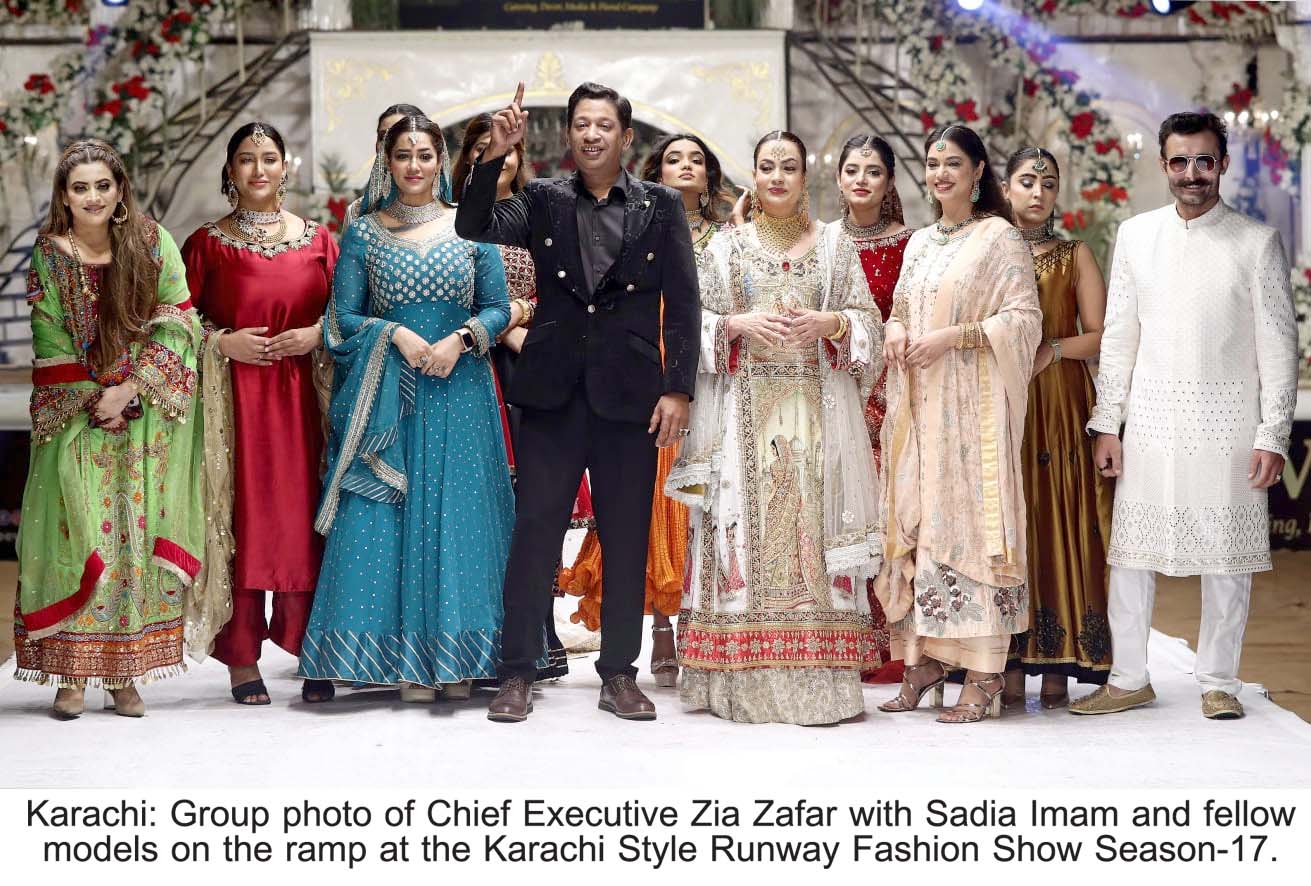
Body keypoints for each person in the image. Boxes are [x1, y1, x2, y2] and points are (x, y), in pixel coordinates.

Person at [456, 82, 700, 722]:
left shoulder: (661, 205)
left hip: (631, 394)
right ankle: (516, 671)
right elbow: (472, 224)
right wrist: (493, 155)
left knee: (626, 536)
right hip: (552, 391)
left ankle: (619, 673)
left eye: (604, 125)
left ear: (626, 136)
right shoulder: (543, 198)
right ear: (568, 134)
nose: (592, 134)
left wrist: (678, 387)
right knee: (535, 532)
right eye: (581, 124)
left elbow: (684, 302)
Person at [1070, 112, 1298, 721]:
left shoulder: (1256, 242)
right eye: (1180, 161)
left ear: (1222, 163)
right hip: (1149, 423)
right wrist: (1107, 423)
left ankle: (1219, 680)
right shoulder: (1136, 236)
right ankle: (1128, 678)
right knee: (1130, 558)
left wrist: (1272, 434)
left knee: (1226, 560)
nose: (1192, 173)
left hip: (1228, 427)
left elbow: (1279, 348)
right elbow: (1119, 337)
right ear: (1163, 165)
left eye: (1203, 160)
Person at [665, 130, 884, 725]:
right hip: (741, 424)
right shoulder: (726, 249)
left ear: (804, 177)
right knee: (742, 540)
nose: (778, 177)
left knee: (809, 544)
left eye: (789, 166)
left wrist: (831, 323)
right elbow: (691, 322)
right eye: (768, 166)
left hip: (818, 422)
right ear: (754, 176)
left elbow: (869, 324)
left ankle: (821, 685)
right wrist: (737, 325)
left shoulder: (835, 247)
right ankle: (737, 683)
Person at [296, 115, 517, 702]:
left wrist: (461, 339)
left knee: (461, 518)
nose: (414, 166)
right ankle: (399, 663)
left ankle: (462, 658)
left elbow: (500, 307)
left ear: (441, 159)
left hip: (461, 388)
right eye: (402, 155)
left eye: (424, 154)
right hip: (393, 397)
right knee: (388, 517)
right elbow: (342, 318)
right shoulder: (365, 233)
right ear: (386, 162)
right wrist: (393, 333)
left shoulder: (470, 226)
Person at [14, 139, 204, 718]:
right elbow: (49, 341)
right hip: (77, 420)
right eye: (81, 188)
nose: (93, 197)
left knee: (133, 537)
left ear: (120, 190)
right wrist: (97, 398)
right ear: (64, 197)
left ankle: (125, 673)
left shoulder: (151, 241)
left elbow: (180, 320)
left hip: (143, 420)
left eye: (103, 185)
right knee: (75, 535)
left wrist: (131, 389)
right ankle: (71, 674)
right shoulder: (49, 254)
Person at [876, 124, 1042, 724]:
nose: (941, 173)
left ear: (977, 172)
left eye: (953, 163)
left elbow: (1024, 320)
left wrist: (954, 337)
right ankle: (923, 663)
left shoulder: (999, 237)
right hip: (921, 409)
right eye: (932, 163)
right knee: (924, 522)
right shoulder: (921, 242)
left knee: (971, 529)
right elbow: (899, 307)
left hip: (973, 413)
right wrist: (897, 329)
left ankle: (984, 673)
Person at [561, 132, 734, 688]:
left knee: (708, 500)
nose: (686, 167)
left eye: (696, 159)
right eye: (673, 159)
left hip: (715, 373)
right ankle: (660, 626)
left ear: (710, 175)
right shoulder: (638, 224)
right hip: (647, 368)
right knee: (657, 497)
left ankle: (708, 624)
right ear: (656, 172)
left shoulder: (730, 237)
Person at [182, 122, 339, 705]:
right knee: (241, 518)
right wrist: (222, 343)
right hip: (234, 404)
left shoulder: (318, 240)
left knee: (304, 516)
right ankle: (242, 657)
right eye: (246, 159)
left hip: (305, 402)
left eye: (268, 158)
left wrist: (316, 334)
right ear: (230, 170)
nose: (258, 170)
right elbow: (172, 322)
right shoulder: (207, 244)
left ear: (285, 167)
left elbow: (351, 312)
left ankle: (313, 646)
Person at [450, 112, 575, 681]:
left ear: (520, 156)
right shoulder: (452, 221)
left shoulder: (535, 215)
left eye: (502, 148)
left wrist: (526, 324)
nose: (494, 156)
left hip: (529, 370)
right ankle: (473, 636)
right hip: (468, 366)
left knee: (533, 505)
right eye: (481, 148)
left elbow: (562, 287)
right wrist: (498, 328)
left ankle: (538, 634)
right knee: (476, 504)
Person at [998, 146, 1112, 708]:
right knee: (1007, 521)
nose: (1038, 192)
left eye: (1048, 183)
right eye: (1027, 181)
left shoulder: (1074, 254)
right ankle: (1004, 661)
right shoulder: (986, 249)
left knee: (1055, 517)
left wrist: (1054, 348)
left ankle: (1058, 661)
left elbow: (1102, 335)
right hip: (1001, 400)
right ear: (1004, 187)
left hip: (1060, 402)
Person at [834, 133, 913, 685]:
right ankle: (841, 635)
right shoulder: (823, 242)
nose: (861, 180)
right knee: (838, 509)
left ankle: (893, 642)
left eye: (873, 171)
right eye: (852, 170)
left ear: (889, 182)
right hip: (835, 392)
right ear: (838, 179)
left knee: (889, 511)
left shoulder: (912, 244)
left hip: (893, 393)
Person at [343, 103, 426, 231]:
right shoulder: (356, 212)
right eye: (383, 137)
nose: (389, 144)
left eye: (400, 135)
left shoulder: (450, 213)